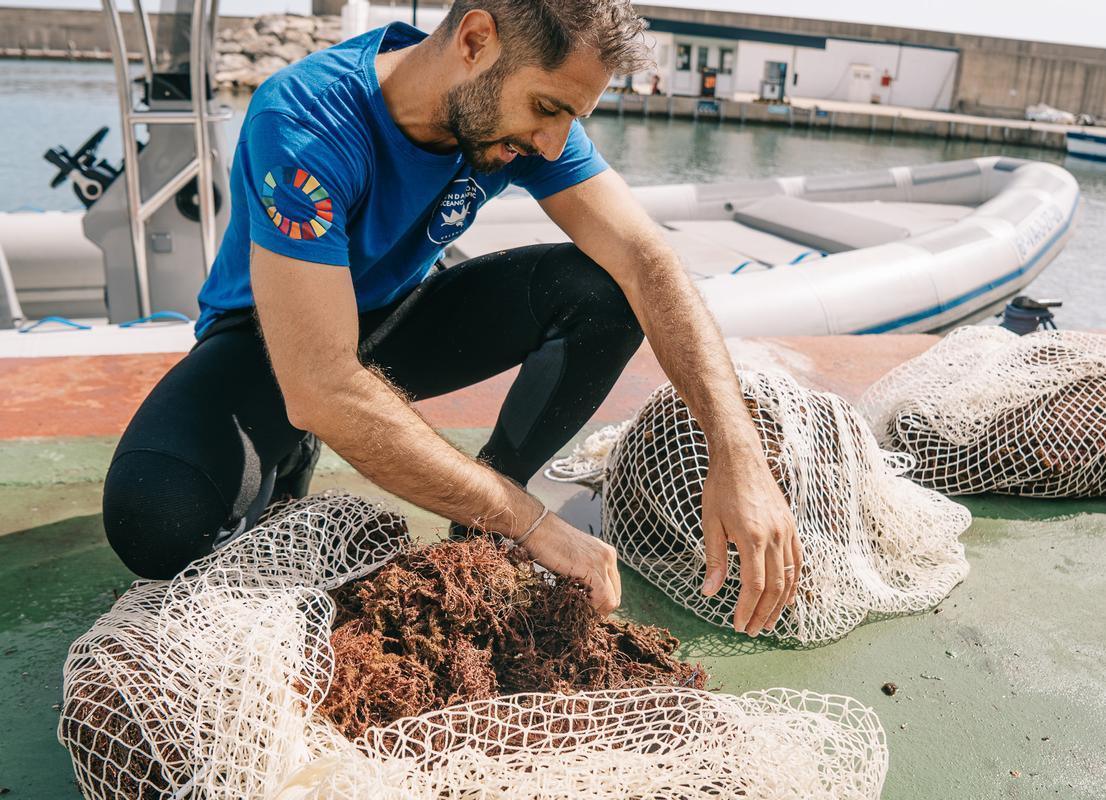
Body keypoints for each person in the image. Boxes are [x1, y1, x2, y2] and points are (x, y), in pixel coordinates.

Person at [103, 0, 801, 638]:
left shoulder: (516, 121)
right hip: (270, 345)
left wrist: (734, 450)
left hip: (400, 316)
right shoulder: (307, 119)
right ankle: (464, 503)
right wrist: (535, 525)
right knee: (156, 519)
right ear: (474, 40)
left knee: (606, 288)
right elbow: (320, 382)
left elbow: (647, 260)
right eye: (547, 108)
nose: (555, 144)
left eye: (571, 120)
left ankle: (482, 538)